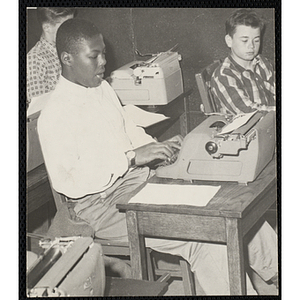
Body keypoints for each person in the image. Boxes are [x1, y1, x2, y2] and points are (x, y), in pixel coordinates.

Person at [37, 18, 277, 295]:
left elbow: (126, 127)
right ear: (67, 58)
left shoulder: (100, 88)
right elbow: (69, 183)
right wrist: (129, 158)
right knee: (205, 236)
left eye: (103, 52)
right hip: (100, 208)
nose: (104, 61)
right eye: (94, 55)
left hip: (137, 182)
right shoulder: (54, 115)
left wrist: (157, 147)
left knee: (226, 206)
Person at [210, 8, 275, 115]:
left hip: (269, 122)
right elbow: (249, 112)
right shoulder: (224, 76)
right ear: (229, 41)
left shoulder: (261, 62)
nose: (251, 46)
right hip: (246, 128)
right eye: (245, 40)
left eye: (256, 40)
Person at [26, 7, 76, 106]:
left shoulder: (68, 49)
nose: (71, 30)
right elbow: (37, 109)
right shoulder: (35, 58)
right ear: (47, 28)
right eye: (65, 26)